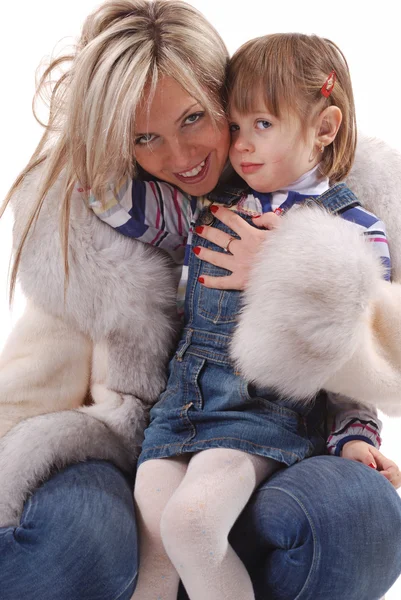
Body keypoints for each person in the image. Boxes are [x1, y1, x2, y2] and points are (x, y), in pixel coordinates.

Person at [0, 2, 400, 599]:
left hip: (268, 437)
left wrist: (291, 275)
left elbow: (380, 355)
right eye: (144, 137)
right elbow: (31, 380)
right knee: (80, 537)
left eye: (195, 118)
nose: (181, 157)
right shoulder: (152, 218)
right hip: (155, 445)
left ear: (225, 93)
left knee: (354, 517)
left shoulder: (348, 203)